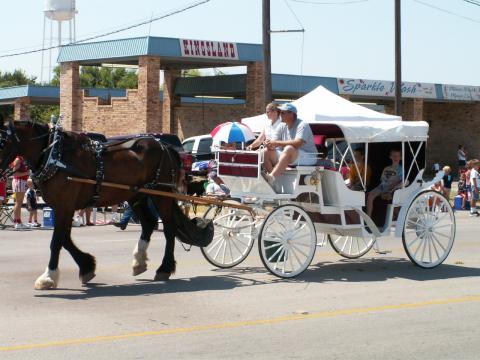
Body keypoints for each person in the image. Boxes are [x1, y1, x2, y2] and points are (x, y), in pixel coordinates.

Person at [263, 103, 317, 185]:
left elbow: (297, 143)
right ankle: (273, 181)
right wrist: (269, 144)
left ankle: (272, 176)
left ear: (292, 114)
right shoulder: (281, 125)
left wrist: (276, 143)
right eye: (280, 112)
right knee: (265, 151)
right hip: (291, 156)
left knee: (289, 148)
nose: (280, 114)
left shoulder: (302, 125)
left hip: (309, 156)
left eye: (282, 112)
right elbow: (274, 142)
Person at [366, 149, 403, 218]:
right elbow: (382, 180)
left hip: (392, 188)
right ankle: (368, 218)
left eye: (397, 156)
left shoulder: (401, 169)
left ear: (400, 158)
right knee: (370, 196)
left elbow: (400, 181)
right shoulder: (386, 168)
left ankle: (397, 217)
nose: (395, 157)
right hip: (382, 187)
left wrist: (390, 190)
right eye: (393, 156)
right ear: (390, 157)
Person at [10, 155, 29, 229]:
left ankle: (18, 221)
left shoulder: (22, 158)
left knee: (19, 203)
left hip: (22, 181)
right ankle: (17, 222)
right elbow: (15, 173)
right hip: (19, 181)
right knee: (18, 203)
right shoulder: (18, 159)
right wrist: (26, 173)